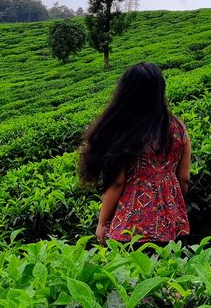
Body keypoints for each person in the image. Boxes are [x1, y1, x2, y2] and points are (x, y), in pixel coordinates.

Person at [79, 62, 191, 246]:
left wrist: (102, 222)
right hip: (172, 226)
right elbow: (184, 178)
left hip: (130, 229)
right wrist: (171, 204)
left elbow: (117, 182)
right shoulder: (178, 128)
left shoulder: (127, 128)